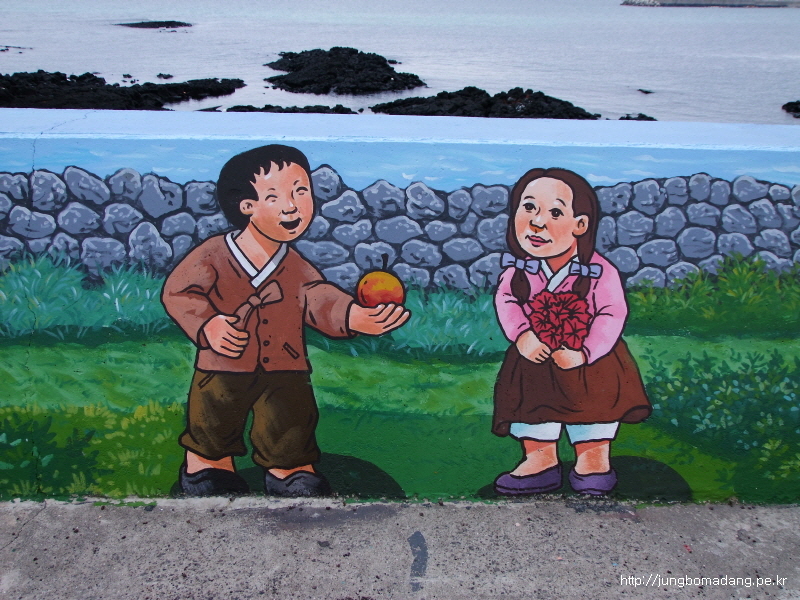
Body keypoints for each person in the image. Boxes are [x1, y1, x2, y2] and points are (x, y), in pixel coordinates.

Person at [162, 144, 410, 497]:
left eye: (301, 191)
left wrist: (352, 315)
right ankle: (207, 466)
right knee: (214, 419)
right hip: (224, 363)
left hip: (286, 364)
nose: (292, 206)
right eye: (274, 196)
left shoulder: (295, 265)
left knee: (290, 421)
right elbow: (179, 292)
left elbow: (318, 298)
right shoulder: (214, 254)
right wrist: (208, 325)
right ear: (246, 206)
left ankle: (290, 469)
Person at [492, 168, 651, 496]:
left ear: (580, 224)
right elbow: (507, 302)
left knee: (593, 406)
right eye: (529, 207)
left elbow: (611, 313)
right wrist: (522, 335)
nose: (537, 222)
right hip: (535, 356)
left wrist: (586, 352)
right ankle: (540, 459)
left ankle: (593, 460)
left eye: (555, 213)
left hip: (588, 361)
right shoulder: (517, 272)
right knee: (532, 404)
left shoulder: (600, 271)